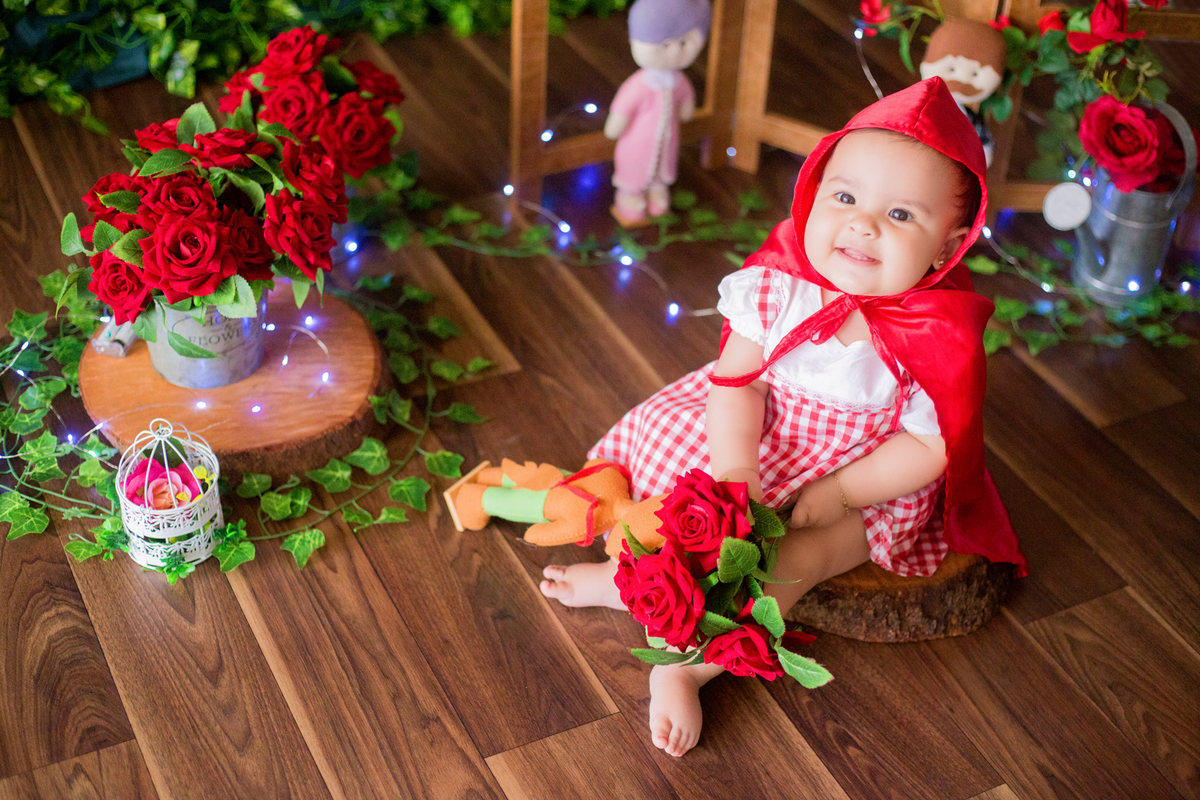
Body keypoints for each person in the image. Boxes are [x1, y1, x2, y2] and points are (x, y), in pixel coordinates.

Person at [539, 77, 1028, 758]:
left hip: (868, 475)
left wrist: (840, 492)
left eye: (901, 216)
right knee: (695, 498)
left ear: (946, 251)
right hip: (763, 430)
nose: (862, 224)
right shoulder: (779, 288)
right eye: (847, 198)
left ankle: (690, 668)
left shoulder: (935, 334)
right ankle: (636, 587)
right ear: (814, 193)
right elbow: (736, 384)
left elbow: (929, 445)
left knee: (802, 557)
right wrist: (738, 469)